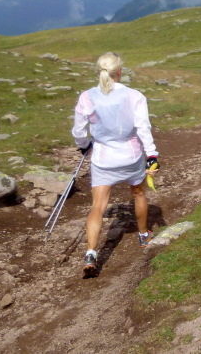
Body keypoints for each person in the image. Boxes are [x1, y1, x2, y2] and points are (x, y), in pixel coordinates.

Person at [72, 52, 160, 278]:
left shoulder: (87, 96)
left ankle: (91, 253)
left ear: (99, 71)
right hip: (131, 156)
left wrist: (84, 146)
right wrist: (151, 154)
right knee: (139, 194)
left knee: (98, 207)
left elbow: (79, 131)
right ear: (119, 71)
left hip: (103, 158)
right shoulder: (135, 96)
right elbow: (143, 128)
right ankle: (143, 235)